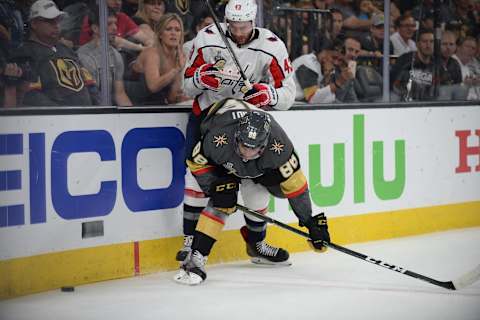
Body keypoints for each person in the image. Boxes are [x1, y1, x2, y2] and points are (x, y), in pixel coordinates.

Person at [178, 0, 296, 267]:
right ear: (226, 21)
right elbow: (186, 85)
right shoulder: (207, 39)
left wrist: (270, 94)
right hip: (209, 118)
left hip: (249, 124)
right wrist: (200, 79)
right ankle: (189, 242)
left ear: (253, 22)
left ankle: (256, 244)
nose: (238, 32)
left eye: (243, 27)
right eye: (233, 26)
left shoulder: (272, 45)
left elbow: (289, 94)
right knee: (197, 178)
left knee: (257, 184)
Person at [174, 98, 331, 285]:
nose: (248, 153)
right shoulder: (218, 139)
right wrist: (213, 187)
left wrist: (309, 221)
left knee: (259, 191)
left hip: (257, 165)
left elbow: (296, 186)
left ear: (265, 144)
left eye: (254, 147)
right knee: (222, 201)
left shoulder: (279, 147)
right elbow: (195, 163)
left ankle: (256, 245)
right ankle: (196, 256)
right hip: (220, 151)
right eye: (244, 145)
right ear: (237, 137)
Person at [12, 0, 97, 106]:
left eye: (58, 21)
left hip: (87, 117)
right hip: (54, 119)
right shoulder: (25, 53)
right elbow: (31, 96)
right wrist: (62, 116)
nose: (56, 25)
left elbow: (90, 85)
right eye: (50, 21)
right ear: (34, 24)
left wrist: (98, 110)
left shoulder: (67, 50)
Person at [128, 13, 189, 105]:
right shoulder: (152, 53)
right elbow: (153, 86)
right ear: (160, 35)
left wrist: (179, 97)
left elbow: (171, 97)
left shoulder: (179, 57)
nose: (173, 33)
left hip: (157, 105)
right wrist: (176, 69)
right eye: (168, 29)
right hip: (133, 104)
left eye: (177, 30)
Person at [77, 9, 133, 107]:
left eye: (115, 23)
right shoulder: (82, 56)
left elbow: (120, 94)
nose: (115, 28)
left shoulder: (116, 55)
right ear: (95, 28)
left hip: (109, 113)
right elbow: (89, 97)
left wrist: (132, 117)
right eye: (109, 24)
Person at [390, 28, 435, 101]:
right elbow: (394, 85)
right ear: (417, 44)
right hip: (404, 100)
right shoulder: (405, 60)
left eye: (431, 41)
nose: (428, 45)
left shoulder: (437, 62)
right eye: (424, 41)